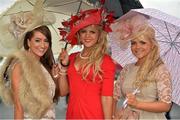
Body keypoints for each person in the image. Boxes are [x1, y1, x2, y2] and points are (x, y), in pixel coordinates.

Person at [57, 8, 116, 119]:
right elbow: (63, 92)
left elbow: (107, 97)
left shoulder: (106, 61)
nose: (87, 36)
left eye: (92, 32)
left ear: (99, 35)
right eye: (83, 31)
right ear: (79, 35)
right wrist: (64, 67)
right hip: (72, 115)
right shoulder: (71, 57)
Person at [113, 24, 172, 119]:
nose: (137, 47)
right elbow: (114, 95)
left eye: (143, 42)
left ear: (152, 45)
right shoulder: (127, 68)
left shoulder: (159, 69)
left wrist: (137, 104)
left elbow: (165, 105)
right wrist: (114, 113)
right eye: (133, 43)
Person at [0, 25, 59, 119]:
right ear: (28, 42)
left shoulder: (44, 66)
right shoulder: (20, 66)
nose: (43, 45)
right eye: (37, 40)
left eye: (46, 40)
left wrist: (56, 75)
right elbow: (18, 108)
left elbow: (56, 95)